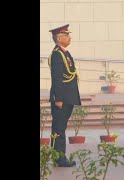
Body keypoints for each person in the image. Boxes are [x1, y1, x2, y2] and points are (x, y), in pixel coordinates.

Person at [48, 24, 81, 167]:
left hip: (68, 97)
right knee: (58, 129)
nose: (69, 38)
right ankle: (59, 158)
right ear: (59, 38)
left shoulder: (65, 53)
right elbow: (57, 78)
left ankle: (59, 157)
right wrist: (59, 99)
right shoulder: (57, 54)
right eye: (67, 35)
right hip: (62, 98)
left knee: (61, 128)